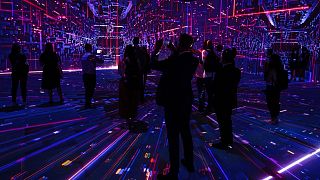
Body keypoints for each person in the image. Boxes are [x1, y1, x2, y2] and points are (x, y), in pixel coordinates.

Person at [151, 34, 199, 179]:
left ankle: (173, 173)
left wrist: (156, 50)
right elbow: (181, 57)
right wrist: (175, 50)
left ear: (179, 44)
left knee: (173, 137)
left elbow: (154, 64)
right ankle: (189, 162)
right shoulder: (193, 60)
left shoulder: (175, 60)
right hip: (185, 99)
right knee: (185, 132)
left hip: (173, 101)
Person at [213, 48, 241, 149]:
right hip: (230, 99)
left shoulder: (221, 71)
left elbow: (216, 86)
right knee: (227, 120)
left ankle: (224, 142)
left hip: (221, 99)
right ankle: (228, 140)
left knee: (222, 121)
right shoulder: (236, 71)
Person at [119, 45, 141, 128]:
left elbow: (120, 71)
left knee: (126, 99)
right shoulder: (136, 59)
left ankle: (128, 117)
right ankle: (132, 115)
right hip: (134, 81)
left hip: (126, 81)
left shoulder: (125, 60)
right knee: (133, 99)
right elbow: (139, 69)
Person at [81, 43, 103, 108]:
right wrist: (101, 54)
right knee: (91, 89)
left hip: (85, 75)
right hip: (91, 75)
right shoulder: (91, 56)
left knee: (87, 89)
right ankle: (88, 103)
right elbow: (100, 61)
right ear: (90, 48)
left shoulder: (83, 56)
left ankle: (87, 102)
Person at [264, 50, 283, 124]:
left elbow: (269, 78)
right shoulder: (280, 67)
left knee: (271, 103)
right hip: (277, 88)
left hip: (271, 87)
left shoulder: (272, 68)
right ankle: (274, 118)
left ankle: (273, 118)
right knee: (276, 102)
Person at [203, 40, 221, 114]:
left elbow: (204, 63)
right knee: (212, 92)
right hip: (213, 75)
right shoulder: (214, 53)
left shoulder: (205, 52)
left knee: (208, 92)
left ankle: (209, 107)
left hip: (208, 75)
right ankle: (212, 106)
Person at [132, 37, 150, 103]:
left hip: (136, 70)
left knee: (136, 84)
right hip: (141, 70)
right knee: (141, 85)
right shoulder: (141, 50)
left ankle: (137, 98)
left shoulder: (132, 50)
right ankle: (140, 98)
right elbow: (147, 59)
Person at [194, 41, 206, 112]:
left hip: (201, 77)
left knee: (201, 92)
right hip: (202, 77)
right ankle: (202, 105)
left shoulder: (201, 55)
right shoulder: (201, 57)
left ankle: (201, 106)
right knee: (202, 92)